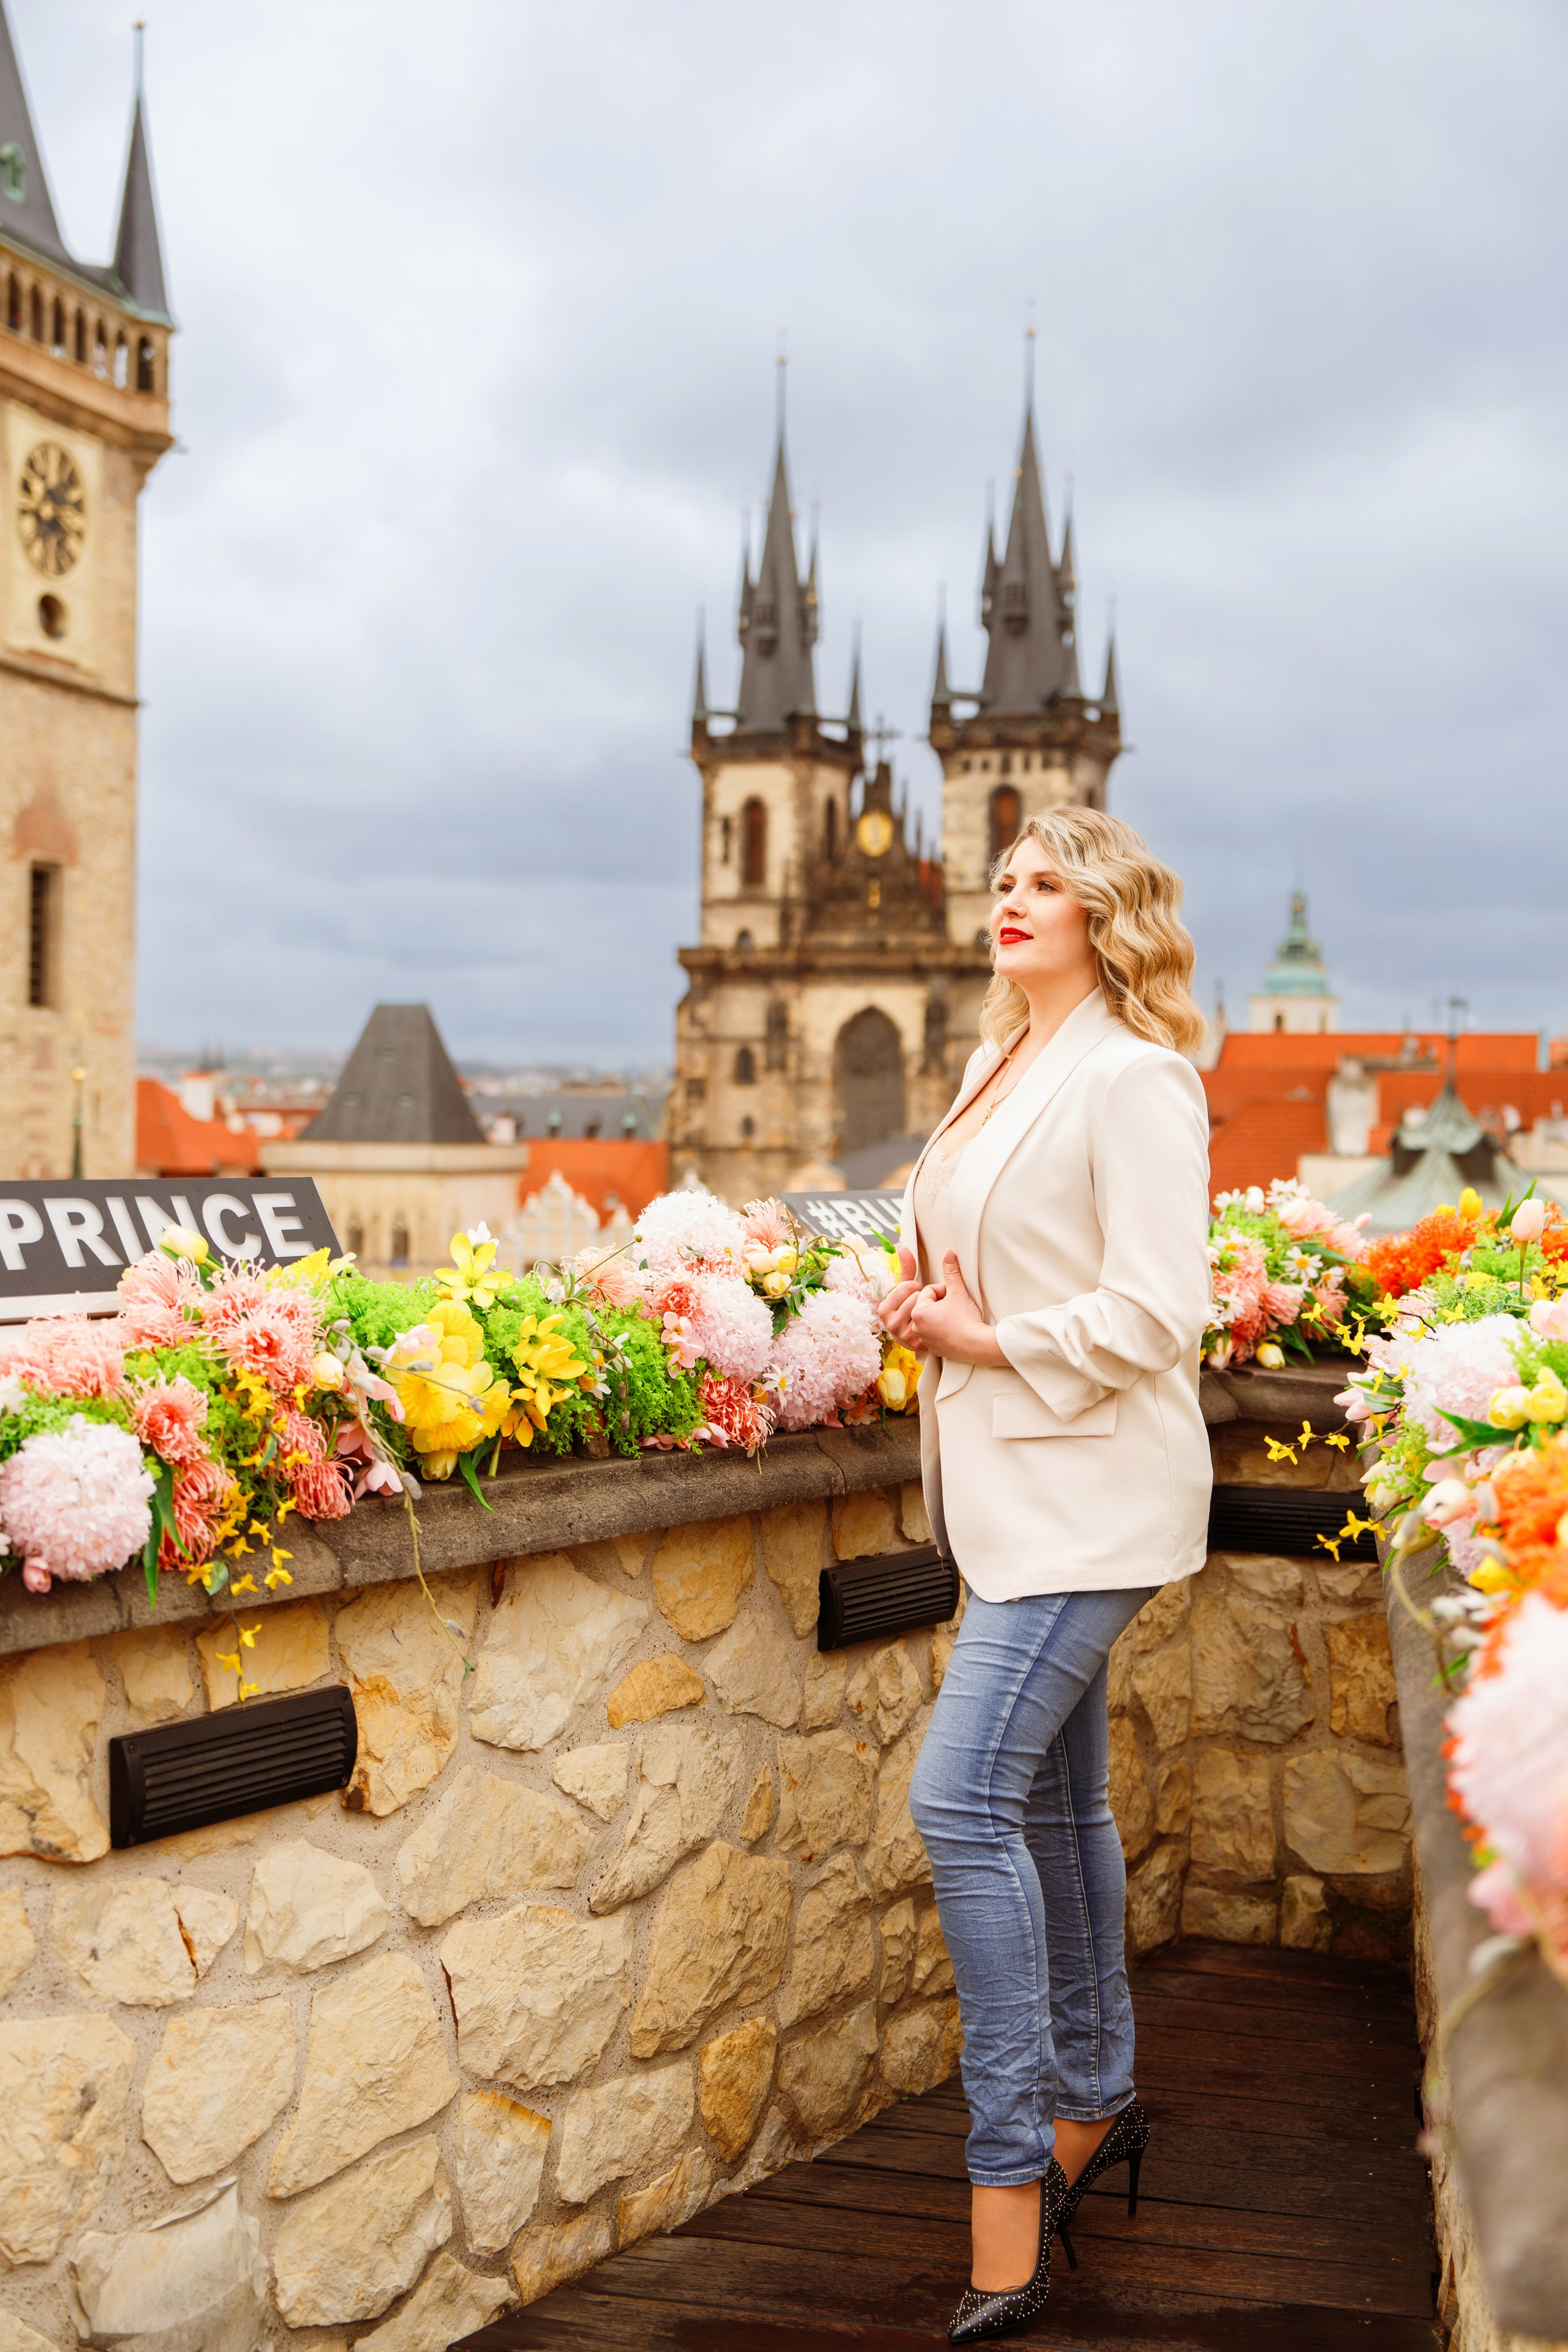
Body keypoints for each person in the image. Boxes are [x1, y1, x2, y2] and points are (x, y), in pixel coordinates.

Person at [881, 807, 1212, 2344]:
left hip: (1088, 1502)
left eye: (1044, 884)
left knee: (959, 1800)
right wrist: (926, 1301)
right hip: (1003, 1496)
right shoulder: (987, 1064)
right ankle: (1094, 2095)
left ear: (1105, 912)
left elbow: (1155, 1311)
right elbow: (990, 1248)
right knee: (1054, 1803)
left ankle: (1008, 2193)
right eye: (1001, 880)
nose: (1010, 900)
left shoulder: (1138, 1080)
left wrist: (987, 1340)